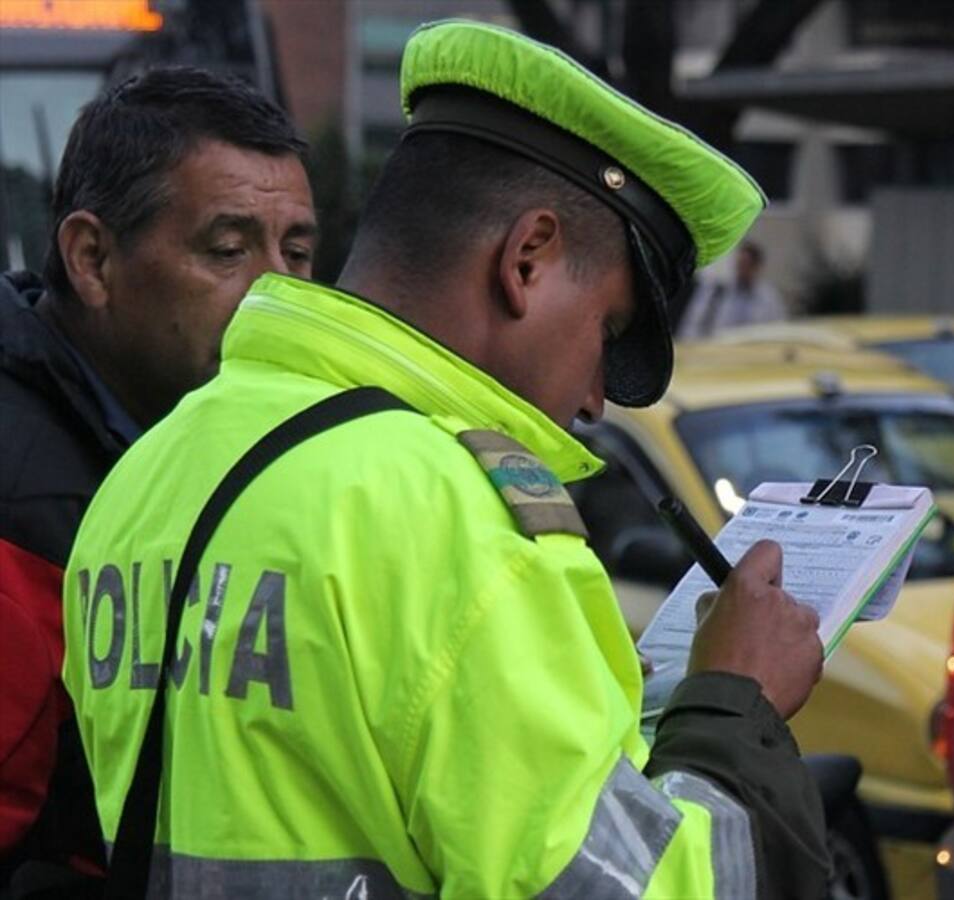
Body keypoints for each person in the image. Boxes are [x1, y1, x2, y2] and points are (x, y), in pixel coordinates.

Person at [62, 21, 830, 899]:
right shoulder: (464, 521)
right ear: (527, 258)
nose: (594, 399)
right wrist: (736, 699)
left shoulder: (150, 468)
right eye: (607, 330)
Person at [0, 67, 315, 890]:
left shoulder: (187, 442)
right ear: (92, 259)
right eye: (229, 251)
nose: (279, 295)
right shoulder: (26, 504)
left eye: (298, 253)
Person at [678, 240, 787, 337]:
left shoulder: (769, 299)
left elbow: (778, 330)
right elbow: (692, 324)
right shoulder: (718, 291)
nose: (741, 270)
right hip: (717, 348)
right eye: (739, 264)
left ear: (757, 267)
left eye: (746, 265)